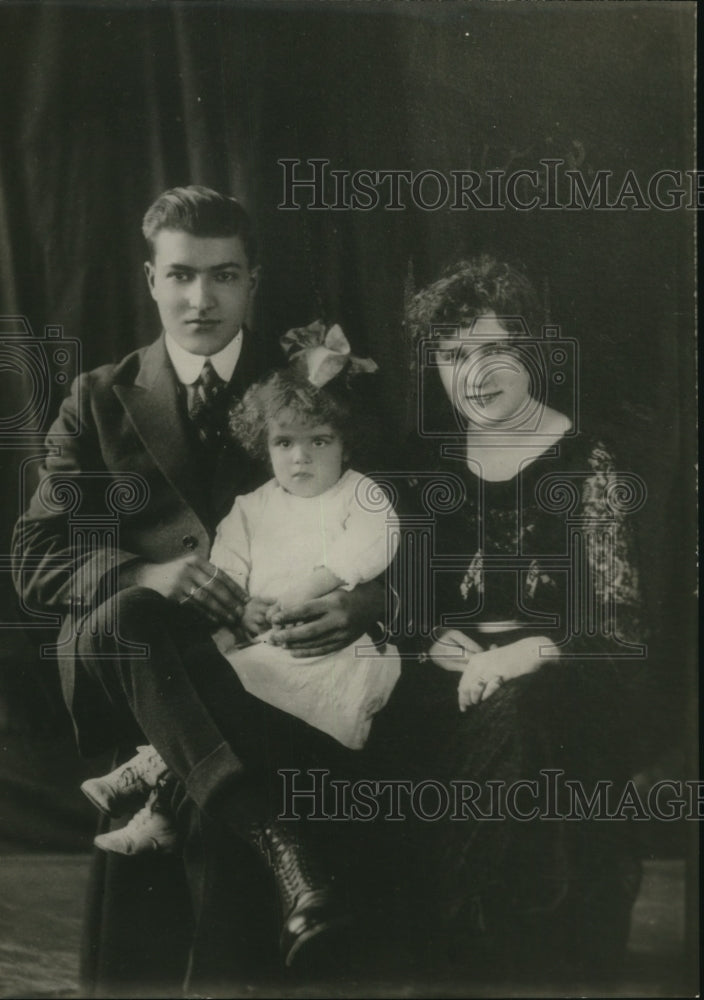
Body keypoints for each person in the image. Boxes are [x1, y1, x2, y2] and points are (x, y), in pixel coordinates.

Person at [11, 186, 386, 992]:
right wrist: (148, 572)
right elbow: (35, 558)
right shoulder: (98, 398)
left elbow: (379, 519)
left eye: (223, 276)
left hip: (268, 670)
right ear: (151, 278)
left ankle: (265, 838)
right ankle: (281, 839)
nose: (200, 299)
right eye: (181, 275)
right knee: (136, 615)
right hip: (132, 664)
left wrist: (363, 603)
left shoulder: (309, 390)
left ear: (253, 281)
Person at [386, 255, 648, 978]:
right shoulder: (429, 463)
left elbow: (616, 621)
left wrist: (521, 655)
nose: (472, 373)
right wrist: (432, 641)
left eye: (494, 349)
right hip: (453, 681)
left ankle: (485, 950)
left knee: (519, 715)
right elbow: (406, 607)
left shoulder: (588, 458)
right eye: (452, 354)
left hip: (563, 680)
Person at [81, 345, 400, 861]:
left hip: (329, 648)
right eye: (285, 442)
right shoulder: (252, 508)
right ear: (264, 445)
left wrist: (315, 584)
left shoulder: (358, 495)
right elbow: (229, 566)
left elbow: (374, 542)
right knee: (210, 688)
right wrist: (239, 608)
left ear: (346, 443)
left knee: (237, 696)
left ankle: (151, 774)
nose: (302, 457)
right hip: (262, 640)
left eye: (320, 440)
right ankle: (159, 809)